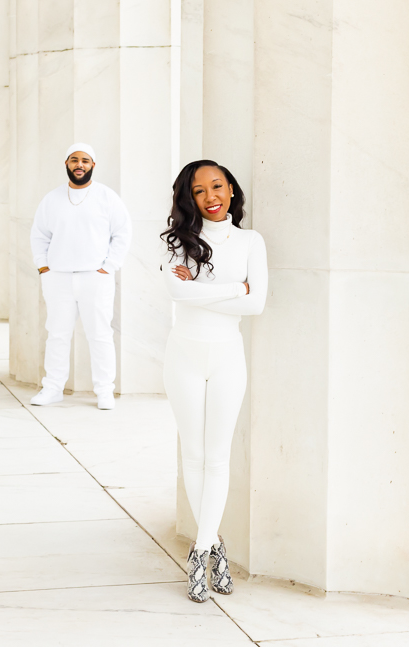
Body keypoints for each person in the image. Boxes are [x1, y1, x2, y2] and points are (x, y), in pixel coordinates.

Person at [160, 160, 268, 603]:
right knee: (195, 453)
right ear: (189, 197)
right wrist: (235, 289)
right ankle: (214, 548)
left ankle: (201, 551)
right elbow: (178, 293)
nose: (211, 196)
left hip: (227, 358)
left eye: (217, 186)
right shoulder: (176, 240)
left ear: (231, 189)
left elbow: (257, 305)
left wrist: (231, 293)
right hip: (182, 357)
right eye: (200, 190)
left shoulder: (250, 241)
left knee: (218, 458)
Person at [30, 143, 133, 410]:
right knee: (57, 334)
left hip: (95, 277)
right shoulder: (51, 199)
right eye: (74, 160)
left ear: (93, 166)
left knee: (100, 335)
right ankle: (52, 388)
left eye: (85, 160)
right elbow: (39, 234)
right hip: (58, 278)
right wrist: (44, 267)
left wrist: (108, 267)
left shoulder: (106, 197)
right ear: (66, 164)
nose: (79, 164)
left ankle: (104, 391)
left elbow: (123, 232)